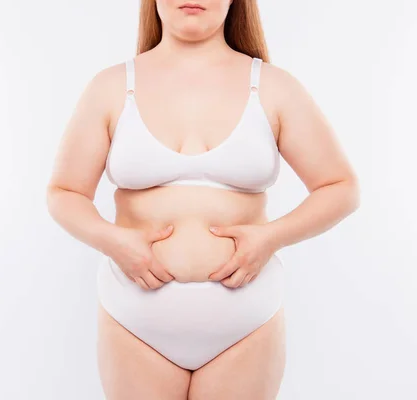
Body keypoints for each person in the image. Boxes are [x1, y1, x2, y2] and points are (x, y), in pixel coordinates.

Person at [47, 0, 360, 398]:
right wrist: (113, 241)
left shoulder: (273, 87)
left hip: (245, 324)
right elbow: (64, 193)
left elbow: (340, 187)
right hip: (135, 322)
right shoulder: (110, 87)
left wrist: (270, 238)